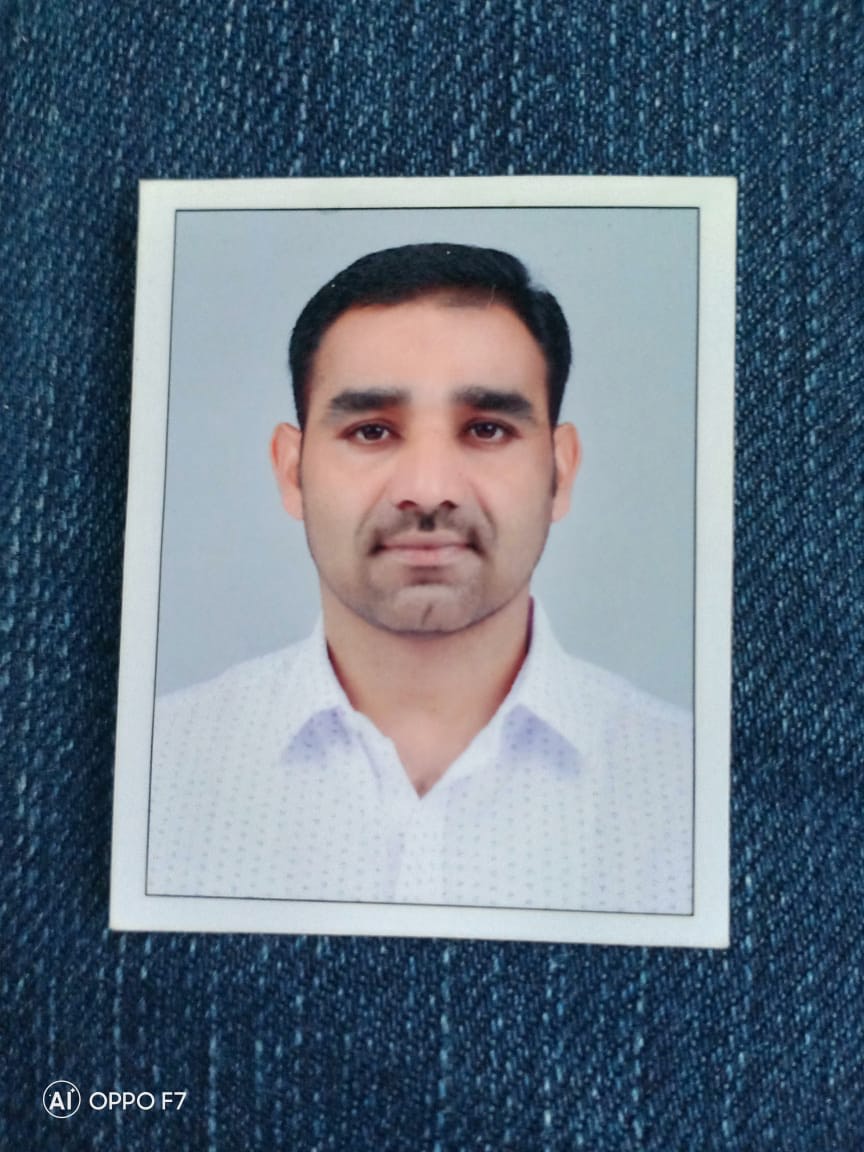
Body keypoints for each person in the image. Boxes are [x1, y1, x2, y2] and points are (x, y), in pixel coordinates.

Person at [148, 243, 693, 914]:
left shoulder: (688, 789)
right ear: (292, 472)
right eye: (372, 431)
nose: (429, 490)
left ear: (561, 471)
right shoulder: (154, 770)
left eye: (487, 429)